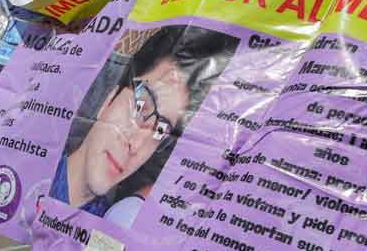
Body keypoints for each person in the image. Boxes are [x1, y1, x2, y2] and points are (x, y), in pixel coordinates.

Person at [48, 25, 238, 223]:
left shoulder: (110, 232)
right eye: (140, 106)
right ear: (109, 99)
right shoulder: (31, 167)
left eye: (161, 130)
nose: (136, 145)